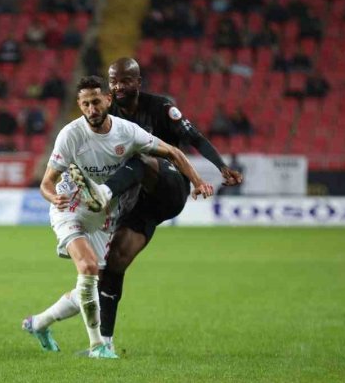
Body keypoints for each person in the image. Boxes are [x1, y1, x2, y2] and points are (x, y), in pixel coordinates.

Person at [29, 58, 243, 350]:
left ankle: (103, 193)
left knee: (139, 158)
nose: (118, 88)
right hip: (135, 202)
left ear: (138, 82)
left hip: (168, 186)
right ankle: (96, 342)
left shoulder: (156, 110)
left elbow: (187, 142)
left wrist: (211, 172)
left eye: (125, 81)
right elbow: (49, 179)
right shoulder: (92, 119)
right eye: (114, 81)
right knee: (108, 270)